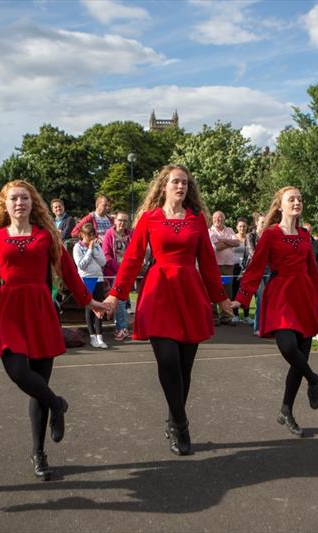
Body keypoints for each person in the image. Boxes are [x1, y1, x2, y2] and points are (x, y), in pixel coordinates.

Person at [0, 180, 106, 481]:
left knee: (38, 383)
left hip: (40, 310)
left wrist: (90, 302)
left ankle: (39, 453)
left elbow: (68, 273)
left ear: (33, 204)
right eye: (14, 199)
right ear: (4, 205)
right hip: (8, 310)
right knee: (18, 371)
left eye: (25, 198)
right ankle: (57, 404)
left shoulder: (47, 237)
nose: (20, 203)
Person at [102, 165, 232, 456]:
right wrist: (115, 295)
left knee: (185, 369)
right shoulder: (149, 218)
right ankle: (181, 424)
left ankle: (173, 419)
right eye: (175, 181)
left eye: (185, 182)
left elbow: (209, 264)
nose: (181, 186)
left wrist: (221, 299)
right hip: (159, 295)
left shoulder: (197, 221)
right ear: (164, 186)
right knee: (169, 362)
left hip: (190, 295)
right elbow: (132, 260)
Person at [231, 187, 318, 437]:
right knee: (288, 348)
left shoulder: (305, 236)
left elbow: (312, 269)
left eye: (300, 199)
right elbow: (255, 269)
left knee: (300, 356)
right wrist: (241, 298)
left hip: (304, 298)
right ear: (280, 206)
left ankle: (286, 411)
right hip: (280, 295)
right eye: (292, 199)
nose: (297, 202)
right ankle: (313, 379)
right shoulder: (270, 235)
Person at [73, 223, 108, 349]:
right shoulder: (77, 247)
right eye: (88, 235)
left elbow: (103, 262)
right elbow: (81, 265)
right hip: (86, 279)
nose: (90, 237)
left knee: (99, 307)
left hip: (98, 278)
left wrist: (94, 249)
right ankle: (92, 336)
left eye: (92, 234)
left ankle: (100, 336)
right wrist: (89, 250)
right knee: (90, 307)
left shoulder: (97, 245)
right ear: (82, 234)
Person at [102, 211, 132, 340]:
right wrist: (119, 270)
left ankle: (120, 326)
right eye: (120, 220)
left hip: (127, 273)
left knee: (122, 300)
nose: (122, 223)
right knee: (119, 300)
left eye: (125, 221)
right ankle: (122, 328)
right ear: (115, 221)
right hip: (113, 273)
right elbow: (106, 254)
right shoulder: (109, 234)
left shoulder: (130, 235)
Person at [209, 211, 239, 326]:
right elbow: (216, 247)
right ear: (212, 219)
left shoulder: (230, 230)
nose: (218, 219)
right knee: (213, 289)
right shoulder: (210, 231)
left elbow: (236, 242)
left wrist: (223, 240)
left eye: (221, 217)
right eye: (216, 217)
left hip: (227, 266)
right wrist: (228, 242)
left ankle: (226, 316)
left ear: (224, 219)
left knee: (226, 290)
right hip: (214, 266)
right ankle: (214, 316)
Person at [231, 217, 251, 324]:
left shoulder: (249, 238)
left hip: (246, 268)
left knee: (246, 290)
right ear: (237, 227)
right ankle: (235, 314)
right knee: (235, 290)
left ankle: (246, 315)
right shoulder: (233, 238)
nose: (242, 228)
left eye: (244, 226)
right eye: (240, 226)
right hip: (235, 267)